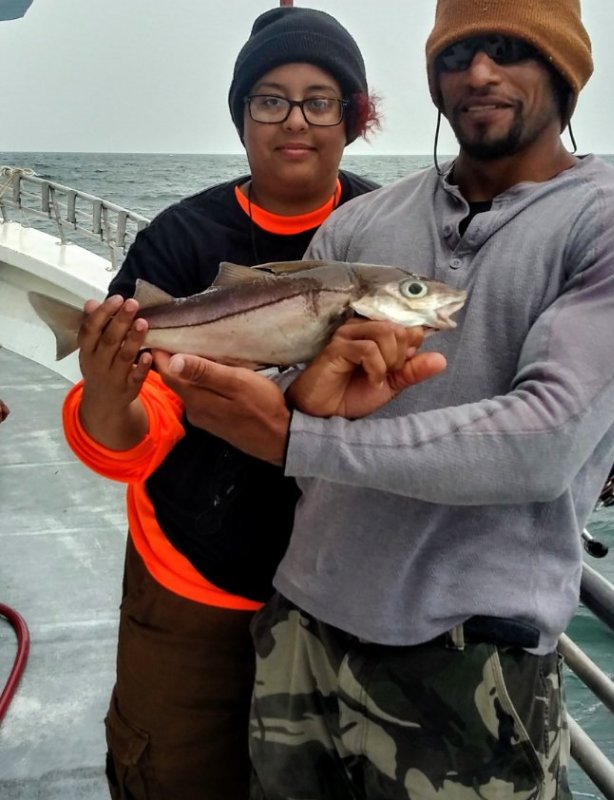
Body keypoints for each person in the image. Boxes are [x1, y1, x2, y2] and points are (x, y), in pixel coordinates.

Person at [158, 0, 614, 797]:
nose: (479, 72)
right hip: (300, 624)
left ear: (566, 66)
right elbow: (281, 396)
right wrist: (300, 399)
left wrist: (298, 440)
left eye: (511, 49)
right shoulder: (358, 224)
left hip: (472, 660)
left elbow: (539, 445)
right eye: (458, 53)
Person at [61, 7, 387, 799]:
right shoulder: (181, 240)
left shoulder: (388, 232)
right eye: (269, 99)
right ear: (242, 116)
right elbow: (133, 434)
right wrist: (106, 393)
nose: (295, 121)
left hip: (349, 598)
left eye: (320, 100)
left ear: (354, 115)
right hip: (192, 587)